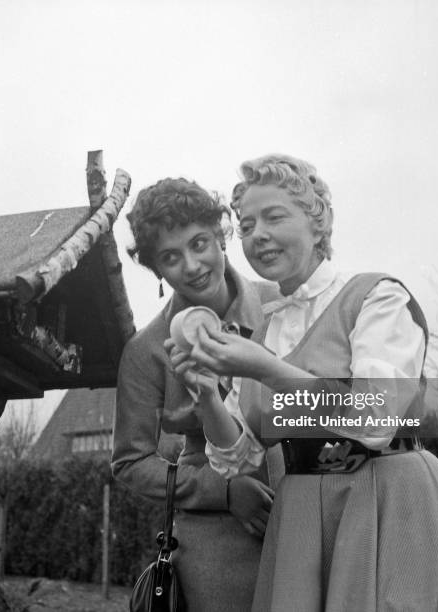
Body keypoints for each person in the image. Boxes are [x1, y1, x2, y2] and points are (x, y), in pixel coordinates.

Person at [169, 155, 438, 611]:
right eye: (248, 225)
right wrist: (204, 396)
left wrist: (265, 369)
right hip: (299, 518)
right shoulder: (265, 332)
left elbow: (375, 418)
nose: (258, 235)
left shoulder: (376, 297)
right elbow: (238, 456)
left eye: (274, 217)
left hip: (387, 503)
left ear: (320, 224)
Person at [111, 177, 281, 612]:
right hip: (215, 541)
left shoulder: (282, 305)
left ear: (221, 236)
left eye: (200, 243)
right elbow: (131, 463)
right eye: (171, 257)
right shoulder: (146, 350)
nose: (191, 265)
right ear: (157, 271)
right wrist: (221, 491)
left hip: (303, 511)